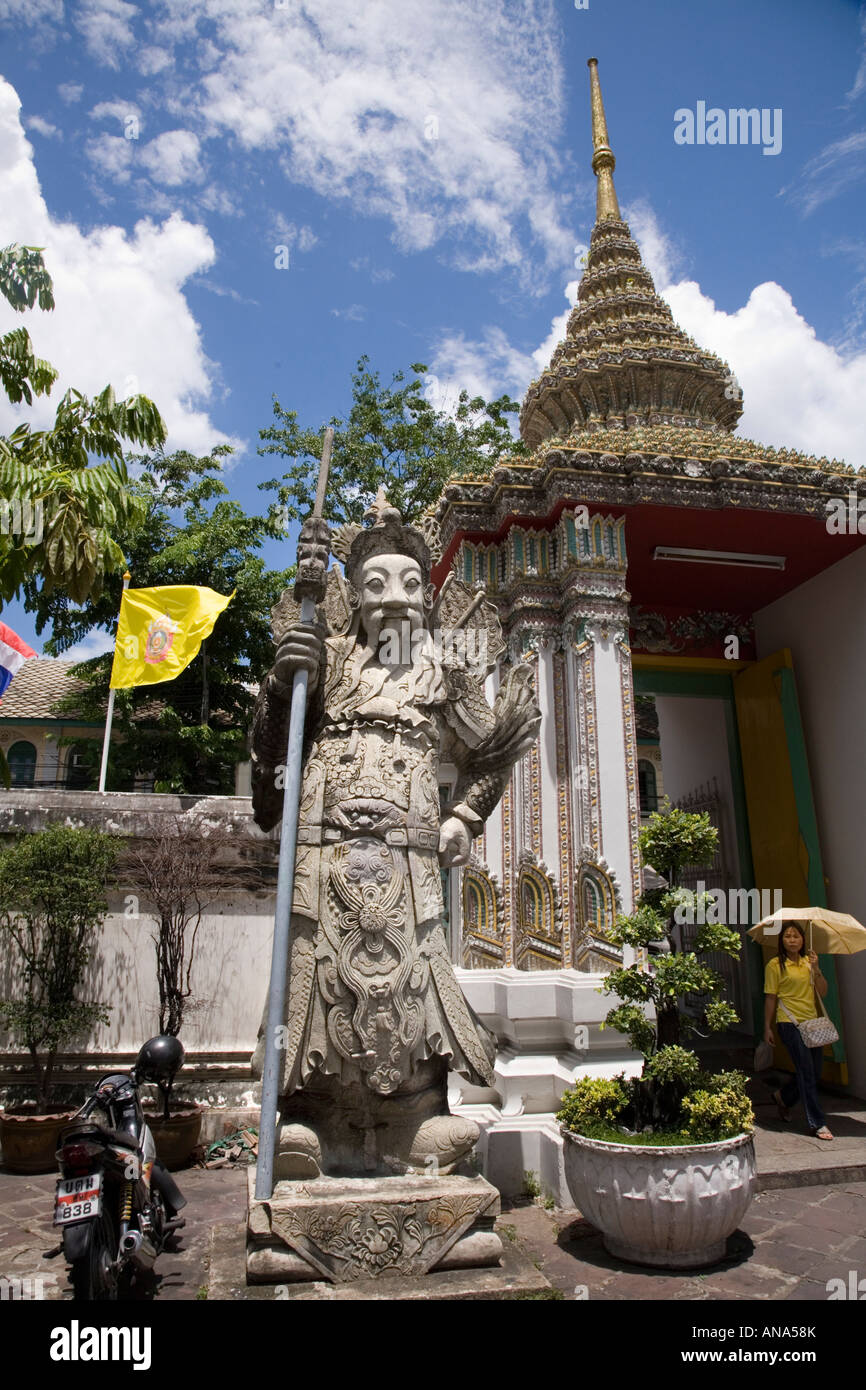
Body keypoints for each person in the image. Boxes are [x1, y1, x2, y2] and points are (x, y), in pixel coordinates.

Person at [249, 493, 541, 1177]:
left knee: (408, 992)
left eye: (411, 584)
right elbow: (270, 768)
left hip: (409, 867)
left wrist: (465, 815)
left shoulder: (444, 670)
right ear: (350, 595)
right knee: (318, 988)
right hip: (325, 861)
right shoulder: (324, 660)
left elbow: (491, 751)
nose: (396, 599)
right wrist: (284, 681)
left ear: (430, 598)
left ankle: (416, 1118)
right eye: (376, 584)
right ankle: (314, 1123)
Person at [763, 923, 832, 1140]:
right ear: (781, 941)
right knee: (806, 1071)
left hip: (812, 1024)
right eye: (787, 936)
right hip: (789, 1023)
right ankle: (817, 1122)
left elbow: (823, 992)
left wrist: (817, 969)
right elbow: (771, 997)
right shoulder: (775, 965)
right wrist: (767, 1026)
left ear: (803, 940)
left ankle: (783, 1097)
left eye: (796, 936)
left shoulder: (808, 962)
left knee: (814, 1071)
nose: (792, 940)